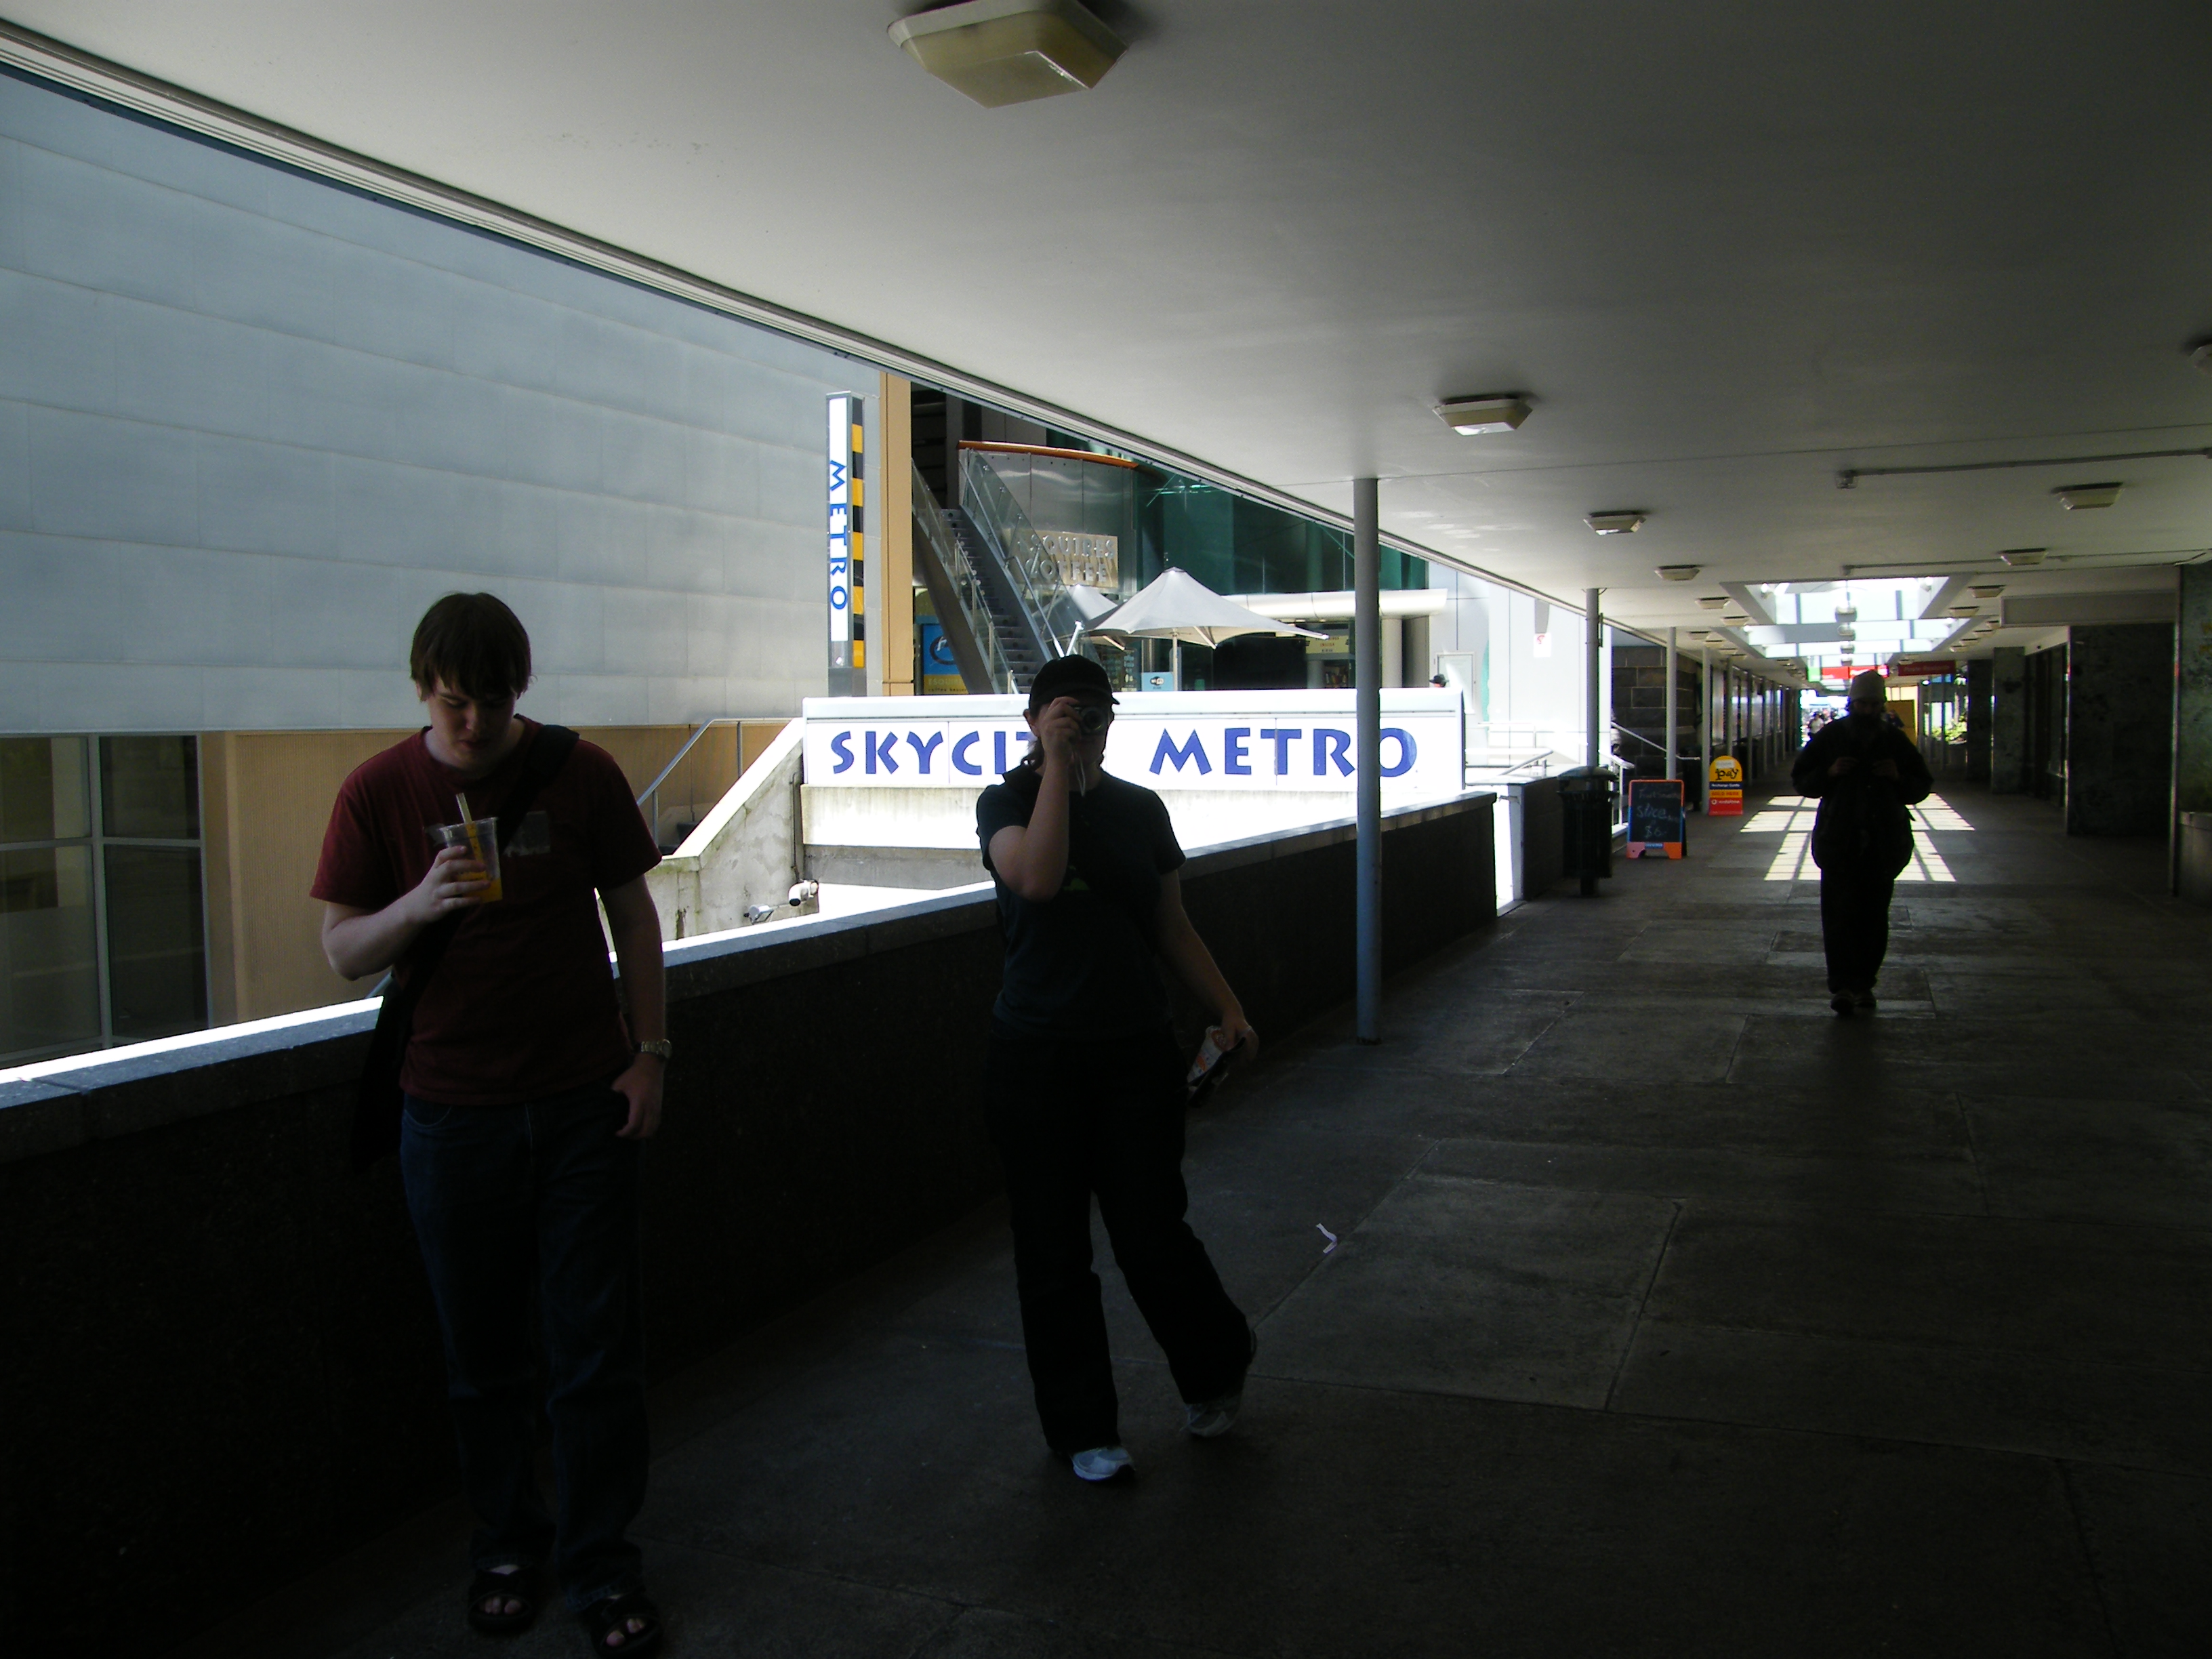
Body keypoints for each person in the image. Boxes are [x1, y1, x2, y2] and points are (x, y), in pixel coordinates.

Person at [312, 594, 671, 1655]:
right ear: (423, 688)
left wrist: (650, 1054)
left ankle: (601, 1564)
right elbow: (342, 950)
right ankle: (508, 1547)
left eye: (495, 702)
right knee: (481, 1356)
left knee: (595, 1351)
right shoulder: (377, 791)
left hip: (582, 1102)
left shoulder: (581, 773)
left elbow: (635, 915)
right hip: (449, 1113)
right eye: (455, 703)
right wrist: (420, 903)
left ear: (524, 690)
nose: (474, 725)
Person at [977, 655, 1258, 1483]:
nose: (1083, 730)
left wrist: (1229, 1008)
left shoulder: (1141, 810)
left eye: (1094, 717)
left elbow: (1172, 925)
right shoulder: (1004, 802)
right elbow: (1036, 877)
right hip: (1034, 1056)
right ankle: (1083, 1429)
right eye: (1065, 715)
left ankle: (1216, 1363)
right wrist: (1055, 768)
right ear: (1033, 721)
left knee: (1152, 1229)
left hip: (1134, 1049)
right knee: (1051, 1247)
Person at [1790, 669, 1932, 1017]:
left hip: (1882, 842)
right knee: (1838, 915)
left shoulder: (1894, 741)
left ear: (1881, 705)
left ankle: (1865, 983)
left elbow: (1921, 785)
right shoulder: (1831, 737)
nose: (1867, 711)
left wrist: (1897, 776)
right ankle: (1842, 985)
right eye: (1862, 704)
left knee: (1874, 916)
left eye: (1873, 705)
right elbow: (1802, 779)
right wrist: (1830, 773)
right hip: (1840, 841)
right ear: (1851, 704)